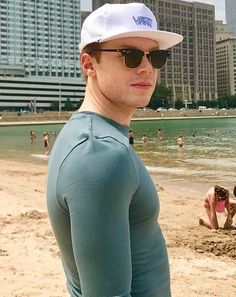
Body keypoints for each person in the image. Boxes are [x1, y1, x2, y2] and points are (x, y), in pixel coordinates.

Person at [47, 3, 183, 297]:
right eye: (130, 55)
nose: (147, 67)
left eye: (156, 56)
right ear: (89, 64)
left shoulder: (88, 136)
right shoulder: (100, 153)